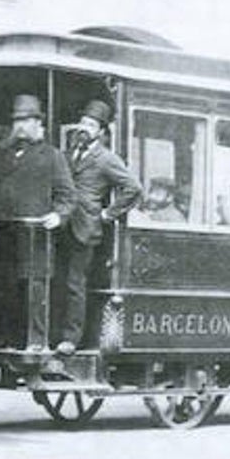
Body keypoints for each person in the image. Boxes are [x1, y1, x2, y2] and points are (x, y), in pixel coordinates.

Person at [0, 94, 76, 351]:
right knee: (4, 290)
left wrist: (58, 215)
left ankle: (36, 342)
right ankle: (5, 341)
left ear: (39, 124)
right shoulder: (2, 157)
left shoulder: (52, 156)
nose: (20, 126)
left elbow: (67, 195)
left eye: (27, 121)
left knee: (34, 289)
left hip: (35, 238)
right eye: (17, 121)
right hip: (3, 238)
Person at [55, 100, 143, 355]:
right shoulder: (69, 153)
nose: (84, 128)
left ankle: (72, 339)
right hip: (63, 225)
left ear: (101, 132)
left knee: (75, 284)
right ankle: (57, 335)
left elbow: (133, 188)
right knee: (59, 282)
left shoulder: (106, 159)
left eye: (91, 125)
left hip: (85, 228)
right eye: (83, 123)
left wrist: (107, 214)